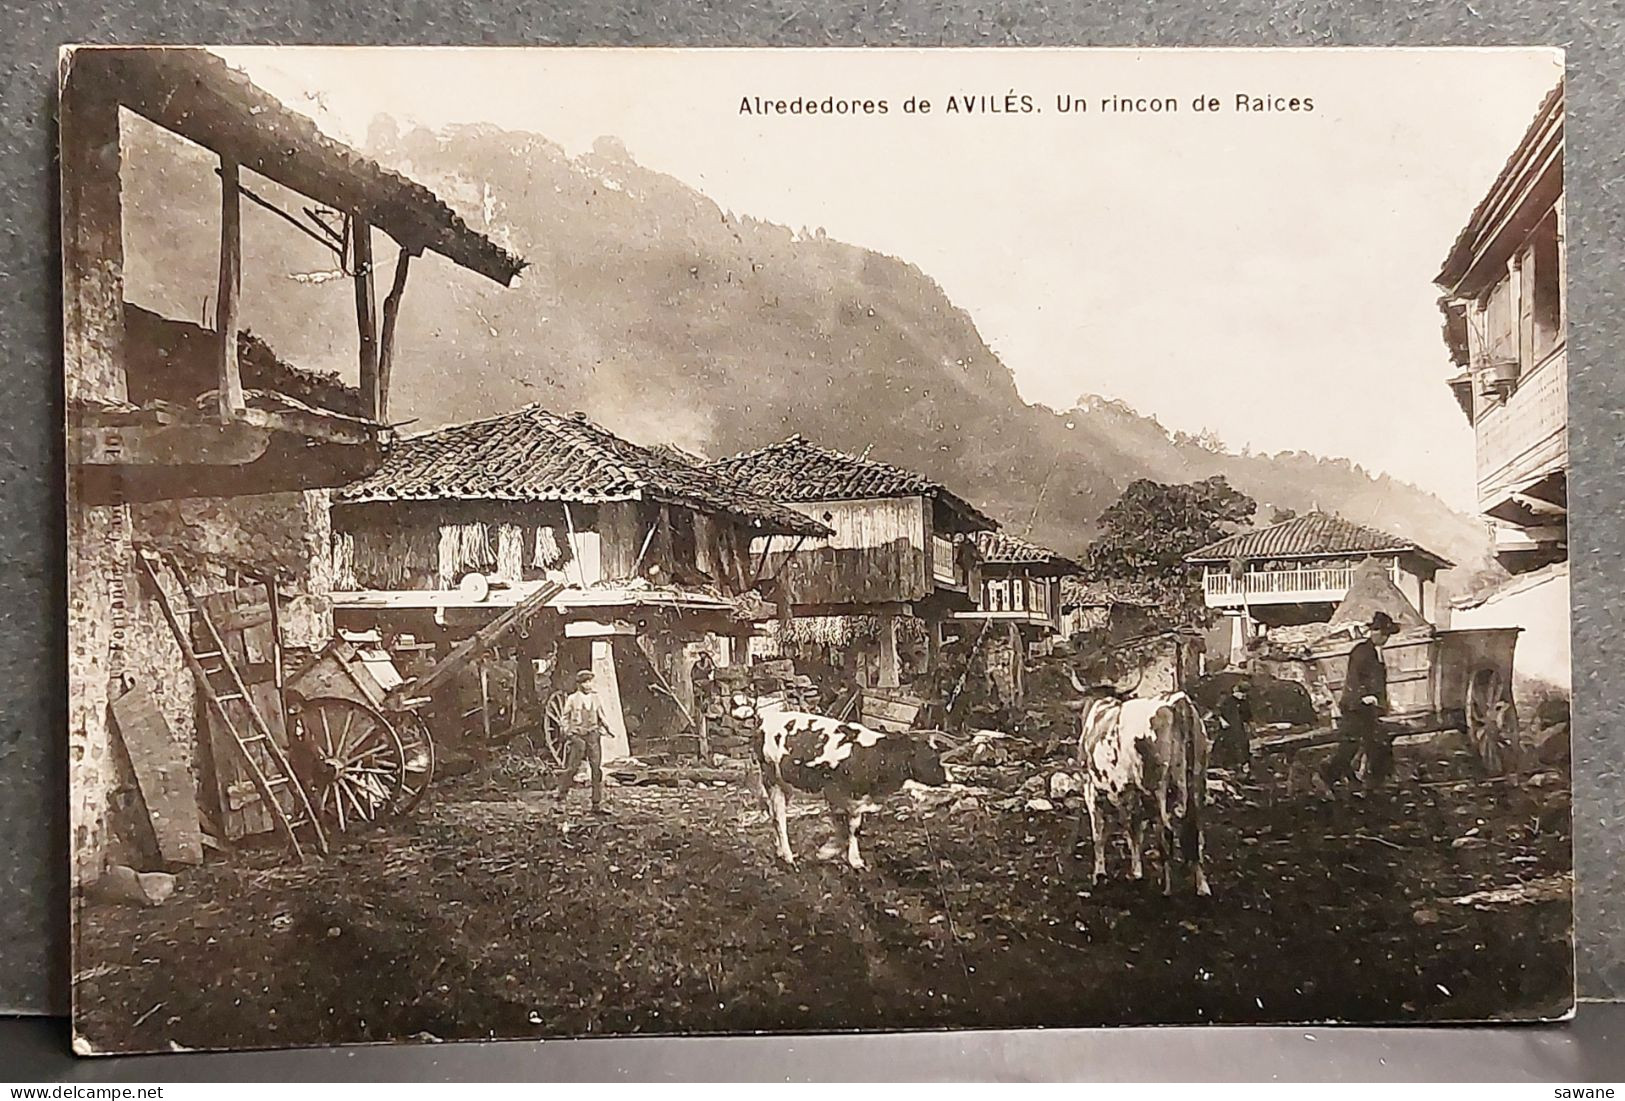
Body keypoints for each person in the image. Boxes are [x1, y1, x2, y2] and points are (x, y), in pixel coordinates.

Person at [1321, 611, 1398, 791]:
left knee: (1376, 741)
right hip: (1355, 706)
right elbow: (1355, 678)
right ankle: (1329, 774)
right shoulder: (1362, 651)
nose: (1386, 638)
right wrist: (1364, 696)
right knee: (1351, 744)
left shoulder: (1376, 652)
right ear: (1375, 632)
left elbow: (1378, 681)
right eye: (1384, 634)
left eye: (1388, 635)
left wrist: (1382, 702)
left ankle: (1374, 779)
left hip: (1368, 707)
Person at [555, 669, 611, 814]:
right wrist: (568, 732)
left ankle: (596, 803)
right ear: (580, 684)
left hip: (593, 735)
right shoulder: (572, 699)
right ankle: (560, 798)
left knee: (596, 769)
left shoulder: (596, 698)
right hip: (578, 736)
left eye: (590, 681)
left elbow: (601, 715)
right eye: (586, 682)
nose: (589, 685)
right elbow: (564, 717)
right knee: (572, 768)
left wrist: (607, 728)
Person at [1213, 680, 1254, 776]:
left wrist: (1248, 725)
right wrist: (1222, 721)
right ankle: (1224, 766)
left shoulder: (1244, 702)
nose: (1242, 696)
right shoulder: (1227, 701)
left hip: (1239, 728)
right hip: (1227, 727)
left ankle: (1244, 766)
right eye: (1241, 694)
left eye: (1244, 694)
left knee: (1243, 745)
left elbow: (1247, 716)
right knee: (1225, 745)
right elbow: (1217, 712)